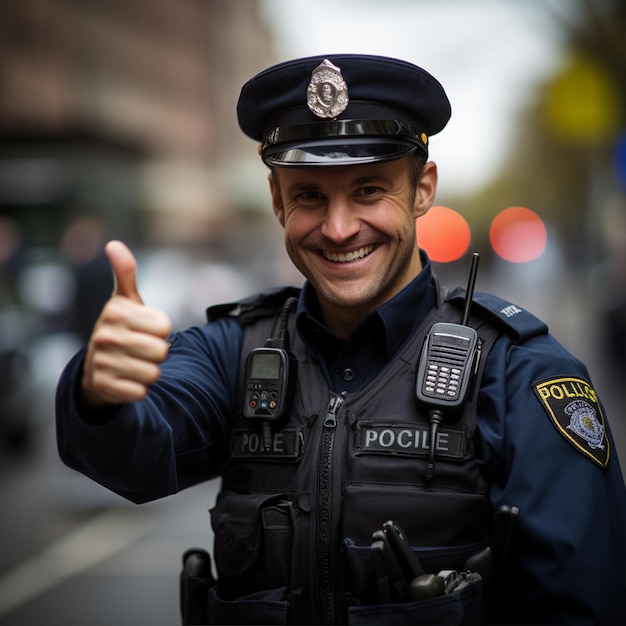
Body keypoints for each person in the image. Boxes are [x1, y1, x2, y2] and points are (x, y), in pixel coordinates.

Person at [55, 54, 626, 625]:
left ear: (422, 189)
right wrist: (100, 391)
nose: (339, 228)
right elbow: (136, 454)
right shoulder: (232, 351)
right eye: (309, 196)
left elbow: (582, 605)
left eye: (369, 189)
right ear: (277, 200)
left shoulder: (522, 373)